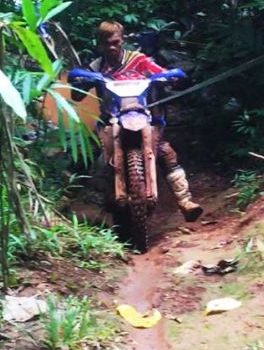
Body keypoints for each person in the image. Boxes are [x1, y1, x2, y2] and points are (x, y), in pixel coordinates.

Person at [71, 20, 203, 222]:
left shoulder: (138, 60)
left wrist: (169, 77)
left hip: (144, 115)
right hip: (110, 121)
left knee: (165, 152)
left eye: (116, 42)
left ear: (122, 40)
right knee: (96, 161)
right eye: (107, 44)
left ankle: (185, 200)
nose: (112, 47)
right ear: (100, 44)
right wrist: (83, 80)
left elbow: (159, 71)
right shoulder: (96, 66)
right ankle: (91, 209)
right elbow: (76, 95)